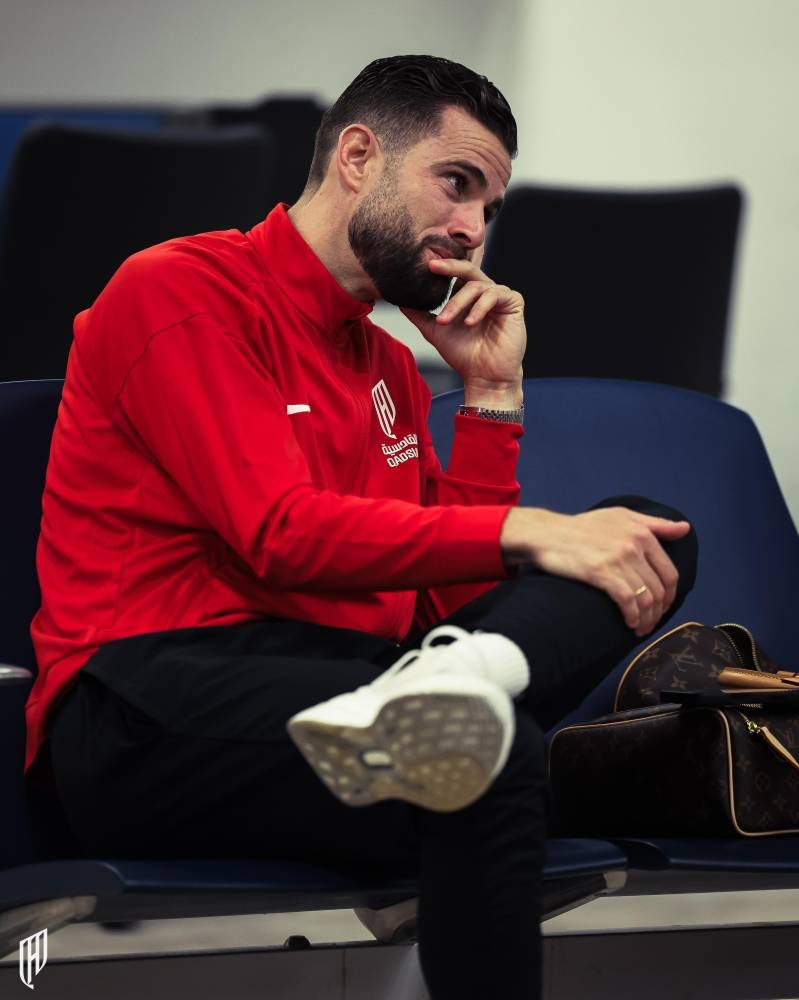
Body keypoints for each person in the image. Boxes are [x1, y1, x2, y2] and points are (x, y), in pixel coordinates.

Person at [24, 55, 697, 999]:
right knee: (485, 745)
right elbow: (279, 533)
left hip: (346, 692)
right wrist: (528, 531)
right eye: (456, 183)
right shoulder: (179, 288)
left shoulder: (385, 365)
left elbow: (450, 605)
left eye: (488, 207)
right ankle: (459, 692)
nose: (472, 229)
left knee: (652, 532)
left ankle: (460, 681)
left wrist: (490, 395)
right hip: (145, 709)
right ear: (356, 156)